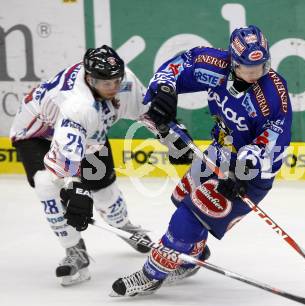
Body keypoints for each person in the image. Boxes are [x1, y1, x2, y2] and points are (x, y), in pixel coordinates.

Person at [111, 25, 293, 296]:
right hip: (218, 153)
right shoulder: (214, 65)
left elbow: (273, 139)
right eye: (247, 68)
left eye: (262, 66)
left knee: (189, 217)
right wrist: (163, 90)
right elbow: (178, 67)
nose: (256, 74)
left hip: (250, 173)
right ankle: (192, 254)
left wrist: (242, 171)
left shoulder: (272, 94)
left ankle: (151, 274)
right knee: (180, 197)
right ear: (233, 62)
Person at [9, 45, 190, 286]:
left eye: (117, 80)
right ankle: (74, 250)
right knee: (46, 184)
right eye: (107, 83)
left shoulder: (123, 80)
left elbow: (149, 113)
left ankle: (123, 226)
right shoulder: (76, 104)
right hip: (37, 135)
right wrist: (74, 187)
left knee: (104, 188)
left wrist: (171, 135)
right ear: (91, 79)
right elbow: (65, 158)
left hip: (90, 133)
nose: (114, 87)